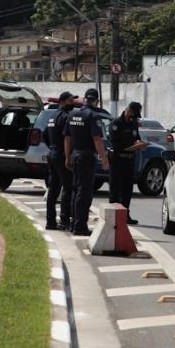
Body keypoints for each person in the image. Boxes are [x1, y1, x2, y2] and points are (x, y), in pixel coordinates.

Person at [64, 87, 109, 236]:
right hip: (86, 156)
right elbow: (97, 139)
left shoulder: (72, 114)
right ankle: (80, 225)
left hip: (75, 154)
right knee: (84, 192)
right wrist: (104, 159)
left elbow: (67, 138)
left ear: (85, 99)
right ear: (96, 101)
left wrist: (67, 156)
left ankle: (73, 222)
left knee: (75, 190)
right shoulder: (92, 116)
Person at [108, 101, 148, 225]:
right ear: (128, 110)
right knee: (115, 188)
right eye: (134, 114)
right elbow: (115, 143)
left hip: (130, 160)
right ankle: (112, 216)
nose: (135, 117)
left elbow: (136, 137)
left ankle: (125, 215)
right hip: (118, 160)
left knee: (127, 189)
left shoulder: (133, 123)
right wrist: (130, 145)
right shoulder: (116, 123)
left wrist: (140, 143)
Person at [44, 91, 76, 231]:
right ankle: (64, 220)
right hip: (62, 155)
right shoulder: (66, 117)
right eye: (70, 100)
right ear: (62, 101)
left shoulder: (51, 116)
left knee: (53, 189)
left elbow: (45, 136)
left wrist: (52, 148)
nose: (73, 103)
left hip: (52, 153)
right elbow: (68, 138)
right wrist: (67, 156)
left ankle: (50, 222)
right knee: (67, 188)